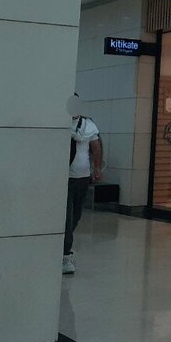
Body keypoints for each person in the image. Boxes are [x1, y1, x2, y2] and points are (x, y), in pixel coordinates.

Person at [65, 94, 102, 275]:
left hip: (82, 178)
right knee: (67, 216)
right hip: (65, 179)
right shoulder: (60, 124)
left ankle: (63, 244)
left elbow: (96, 148)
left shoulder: (88, 125)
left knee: (76, 216)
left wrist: (97, 169)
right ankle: (65, 253)